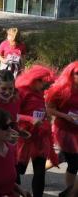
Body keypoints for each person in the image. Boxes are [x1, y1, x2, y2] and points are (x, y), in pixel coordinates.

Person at [15, 65, 56, 197]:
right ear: (35, 79)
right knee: (18, 170)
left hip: (40, 136)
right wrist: (30, 119)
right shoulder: (21, 91)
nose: (45, 86)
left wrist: (46, 118)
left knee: (40, 172)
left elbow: (40, 111)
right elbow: (13, 114)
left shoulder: (41, 93)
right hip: (24, 136)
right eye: (44, 83)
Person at [45, 61, 78, 197]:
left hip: (76, 130)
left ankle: (40, 168)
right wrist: (65, 116)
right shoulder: (60, 89)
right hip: (64, 130)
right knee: (75, 162)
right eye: (77, 73)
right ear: (70, 74)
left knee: (64, 157)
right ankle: (71, 192)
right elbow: (49, 109)